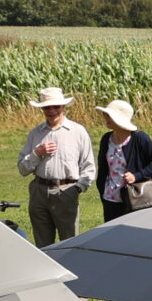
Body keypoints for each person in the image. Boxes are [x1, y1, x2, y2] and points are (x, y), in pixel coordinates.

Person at [16, 86, 95, 246]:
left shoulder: (77, 131)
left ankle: (70, 269)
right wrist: (37, 153)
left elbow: (89, 166)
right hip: (39, 191)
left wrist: (78, 188)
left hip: (66, 191)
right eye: (46, 107)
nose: (51, 111)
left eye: (56, 107)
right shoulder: (35, 133)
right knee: (43, 244)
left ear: (63, 107)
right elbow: (23, 169)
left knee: (69, 241)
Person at [95, 99, 152, 223]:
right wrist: (102, 191)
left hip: (136, 198)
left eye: (108, 115)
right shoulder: (106, 139)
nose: (105, 118)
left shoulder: (140, 138)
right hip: (111, 199)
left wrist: (137, 176)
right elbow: (103, 170)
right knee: (112, 236)